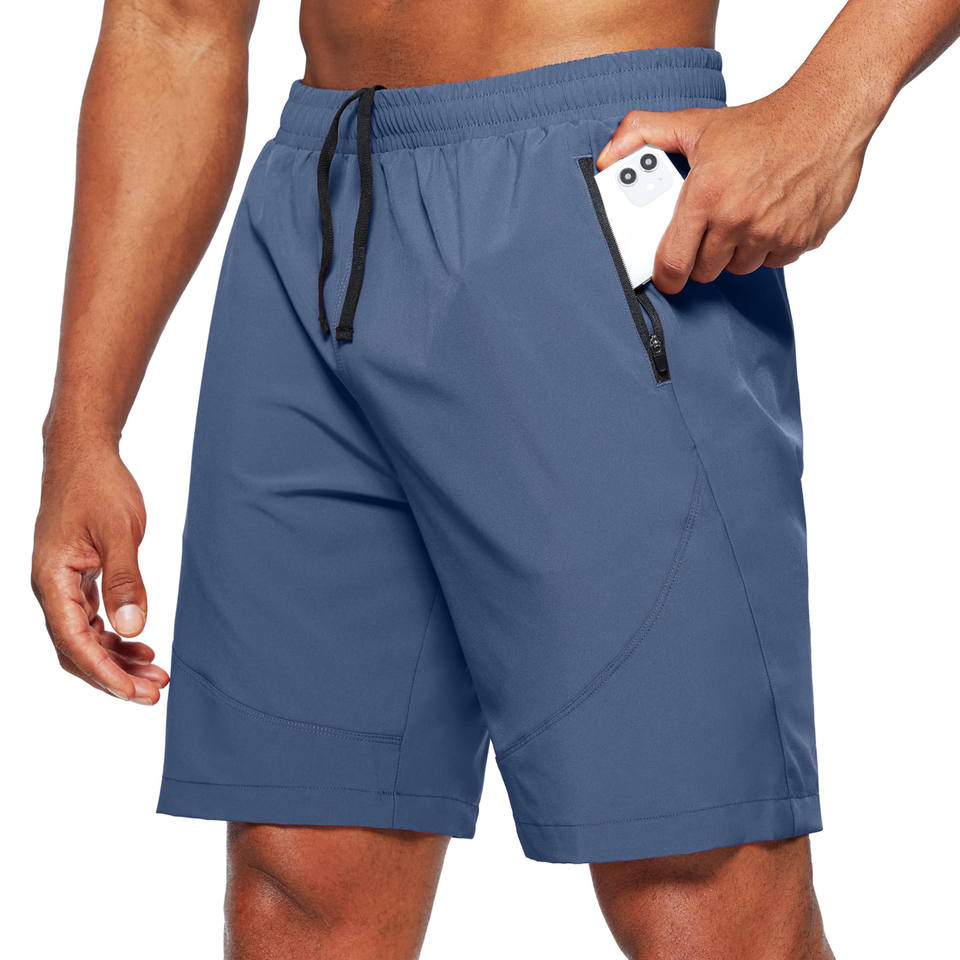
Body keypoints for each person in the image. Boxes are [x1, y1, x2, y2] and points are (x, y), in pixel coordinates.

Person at [31, 0, 959, 956]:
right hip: (317, 217)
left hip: (593, 182)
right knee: (295, 886)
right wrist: (84, 428)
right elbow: (172, 25)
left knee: (700, 895)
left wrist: (832, 102)